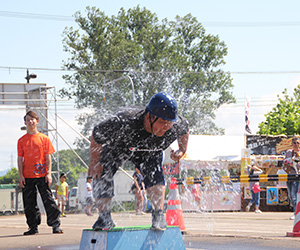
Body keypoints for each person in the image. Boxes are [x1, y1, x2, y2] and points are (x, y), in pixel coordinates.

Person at [89, 92, 189, 231]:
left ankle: (158, 216)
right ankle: (104, 217)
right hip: (119, 146)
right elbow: (96, 135)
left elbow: (185, 130)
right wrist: (94, 163)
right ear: (149, 117)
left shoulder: (175, 124)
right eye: (162, 123)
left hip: (149, 150)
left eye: (169, 124)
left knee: (155, 174)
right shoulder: (124, 120)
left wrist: (182, 150)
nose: (165, 128)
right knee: (101, 173)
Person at [17, 110, 63, 235]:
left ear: (37, 121)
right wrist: (21, 175)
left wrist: (49, 173)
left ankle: (55, 225)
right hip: (27, 176)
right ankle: (33, 227)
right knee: (29, 203)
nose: (30, 121)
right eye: (28, 120)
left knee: (48, 200)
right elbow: (20, 159)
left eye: (33, 119)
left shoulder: (44, 138)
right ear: (25, 123)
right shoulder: (21, 141)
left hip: (42, 175)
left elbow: (48, 157)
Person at [283, 137, 300, 220]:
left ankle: (295, 213)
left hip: (297, 176)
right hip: (289, 175)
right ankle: (296, 211)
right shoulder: (289, 152)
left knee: (294, 195)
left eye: (298, 143)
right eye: (295, 143)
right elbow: (284, 161)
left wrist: (295, 163)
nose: (296, 144)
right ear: (292, 144)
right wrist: (287, 162)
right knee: (290, 195)